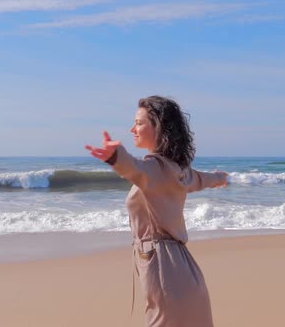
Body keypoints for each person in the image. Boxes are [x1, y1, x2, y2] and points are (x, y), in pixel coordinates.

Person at [85, 96, 228, 327]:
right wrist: (220, 178)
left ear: (158, 127)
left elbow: (135, 169)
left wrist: (115, 157)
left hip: (163, 269)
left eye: (139, 123)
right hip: (184, 269)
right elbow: (202, 179)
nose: (132, 129)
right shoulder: (177, 169)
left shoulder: (154, 168)